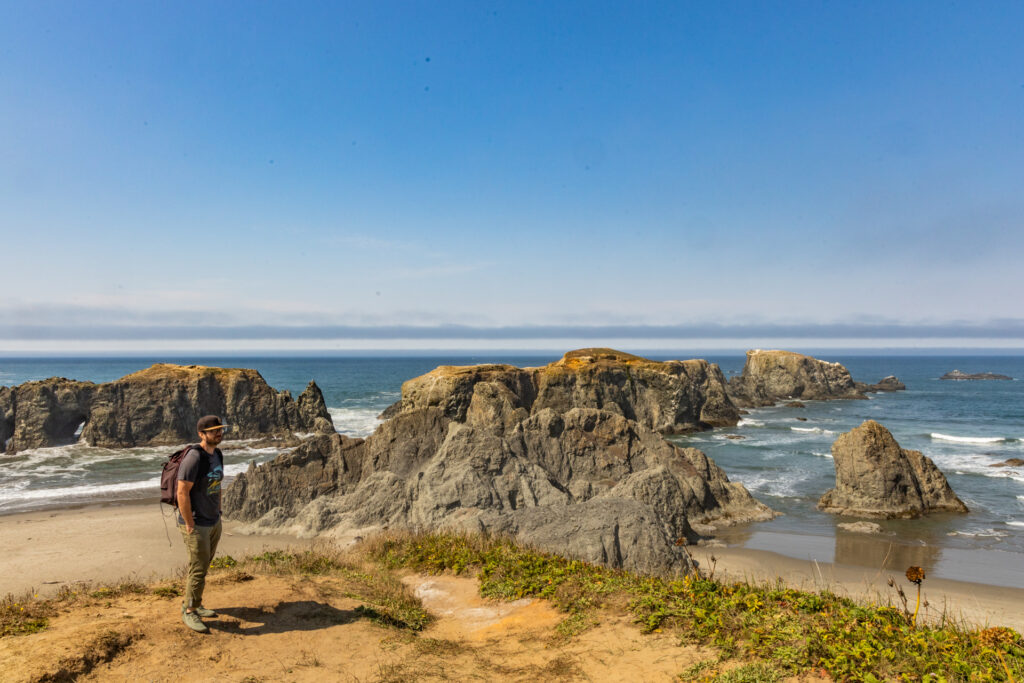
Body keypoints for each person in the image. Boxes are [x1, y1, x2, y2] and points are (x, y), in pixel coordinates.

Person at [177, 414, 226, 633]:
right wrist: (189, 523)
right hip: (196, 523)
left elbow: (217, 484)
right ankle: (189, 611)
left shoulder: (217, 454)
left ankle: (195, 602)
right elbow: (182, 491)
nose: (219, 433)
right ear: (201, 434)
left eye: (220, 429)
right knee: (198, 568)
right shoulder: (193, 458)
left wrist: (219, 512)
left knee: (204, 565)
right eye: (214, 430)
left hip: (213, 519)